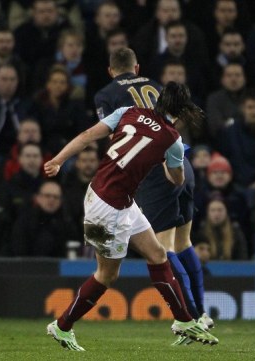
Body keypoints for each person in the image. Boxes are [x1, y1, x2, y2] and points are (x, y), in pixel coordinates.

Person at [43, 81, 218, 351]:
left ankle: (184, 320)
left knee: (158, 254)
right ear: (181, 111)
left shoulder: (129, 111)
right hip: (106, 210)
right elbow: (177, 179)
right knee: (106, 276)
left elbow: (89, 135)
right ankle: (62, 326)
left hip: (107, 197)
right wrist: (173, 161)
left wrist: (58, 159)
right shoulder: (172, 139)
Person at [94, 48, 214, 346]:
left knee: (162, 247)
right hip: (180, 159)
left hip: (155, 172)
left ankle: (191, 320)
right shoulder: (156, 85)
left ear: (111, 71)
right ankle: (201, 315)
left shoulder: (106, 94)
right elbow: (174, 118)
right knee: (183, 242)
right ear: (137, 67)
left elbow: (117, 138)